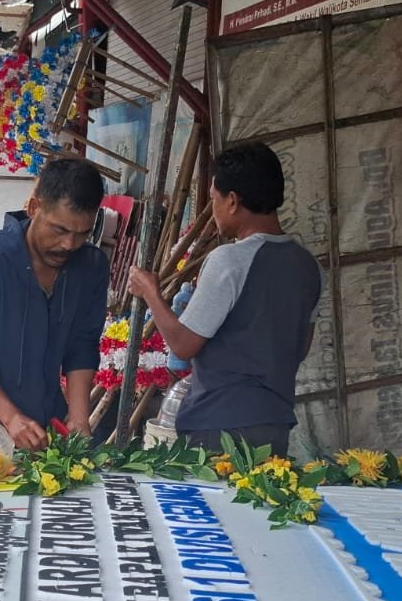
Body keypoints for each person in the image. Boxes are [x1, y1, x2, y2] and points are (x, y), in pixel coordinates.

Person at [127, 142, 322, 458]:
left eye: (214, 200)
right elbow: (300, 348)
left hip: (219, 426)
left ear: (232, 201)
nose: (214, 209)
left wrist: (150, 292)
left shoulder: (230, 260)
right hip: (275, 423)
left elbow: (183, 345)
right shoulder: (308, 266)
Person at [0, 157, 110, 452]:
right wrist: (11, 419)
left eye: (82, 233)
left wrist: (79, 416)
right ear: (34, 208)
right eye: (59, 230)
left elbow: (82, 345)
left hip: (47, 422)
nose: (69, 245)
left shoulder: (91, 267)